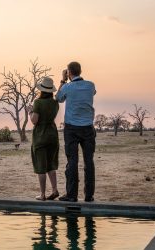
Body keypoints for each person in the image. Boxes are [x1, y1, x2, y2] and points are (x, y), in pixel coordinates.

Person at [55, 61, 96, 202]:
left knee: (72, 161)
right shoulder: (91, 85)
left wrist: (62, 80)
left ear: (69, 72)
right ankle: (89, 195)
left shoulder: (67, 87)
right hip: (88, 128)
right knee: (88, 161)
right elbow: (93, 93)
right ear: (81, 71)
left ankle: (72, 195)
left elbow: (58, 98)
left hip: (72, 128)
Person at [29, 77, 60, 201]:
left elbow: (34, 120)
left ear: (41, 90)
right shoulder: (55, 102)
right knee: (51, 165)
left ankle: (42, 195)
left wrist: (30, 112)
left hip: (40, 136)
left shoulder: (38, 102)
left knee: (41, 167)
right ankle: (55, 190)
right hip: (53, 135)